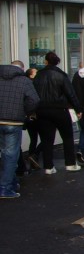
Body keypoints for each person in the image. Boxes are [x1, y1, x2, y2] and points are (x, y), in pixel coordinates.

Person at [32, 51, 81, 174]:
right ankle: (70, 164)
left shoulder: (38, 76)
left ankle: (48, 167)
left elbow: (32, 94)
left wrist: (33, 110)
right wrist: (78, 109)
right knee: (68, 137)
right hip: (60, 109)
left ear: (45, 61)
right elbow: (71, 94)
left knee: (47, 139)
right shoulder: (61, 75)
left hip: (42, 110)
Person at [0, 60, 39, 198]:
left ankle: (10, 182)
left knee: (4, 154)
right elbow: (34, 100)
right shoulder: (24, 81)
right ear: (21, 69)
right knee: (11, 155)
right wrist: (25, 113)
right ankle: (5, 187)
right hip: (14, 122)